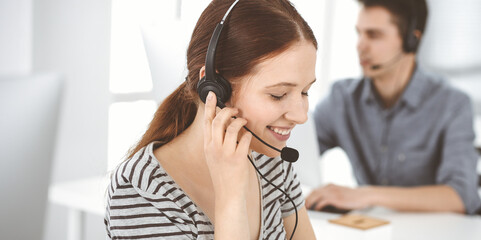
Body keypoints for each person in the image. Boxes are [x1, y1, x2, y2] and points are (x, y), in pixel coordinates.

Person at [104, 0, 318, 239]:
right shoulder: (142, 191)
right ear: (215, 87)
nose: (301, 116)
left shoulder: (270, 160)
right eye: (278, 95)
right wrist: (230, 197)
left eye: (305, 92)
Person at [306, 0, 481, 215]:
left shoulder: (452, 105)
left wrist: (365, 195)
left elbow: (461, 196)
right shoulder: (342, 98)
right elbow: (296, 150)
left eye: (374, 35)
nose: (360, 45)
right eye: (359, 33)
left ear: (411, 40)